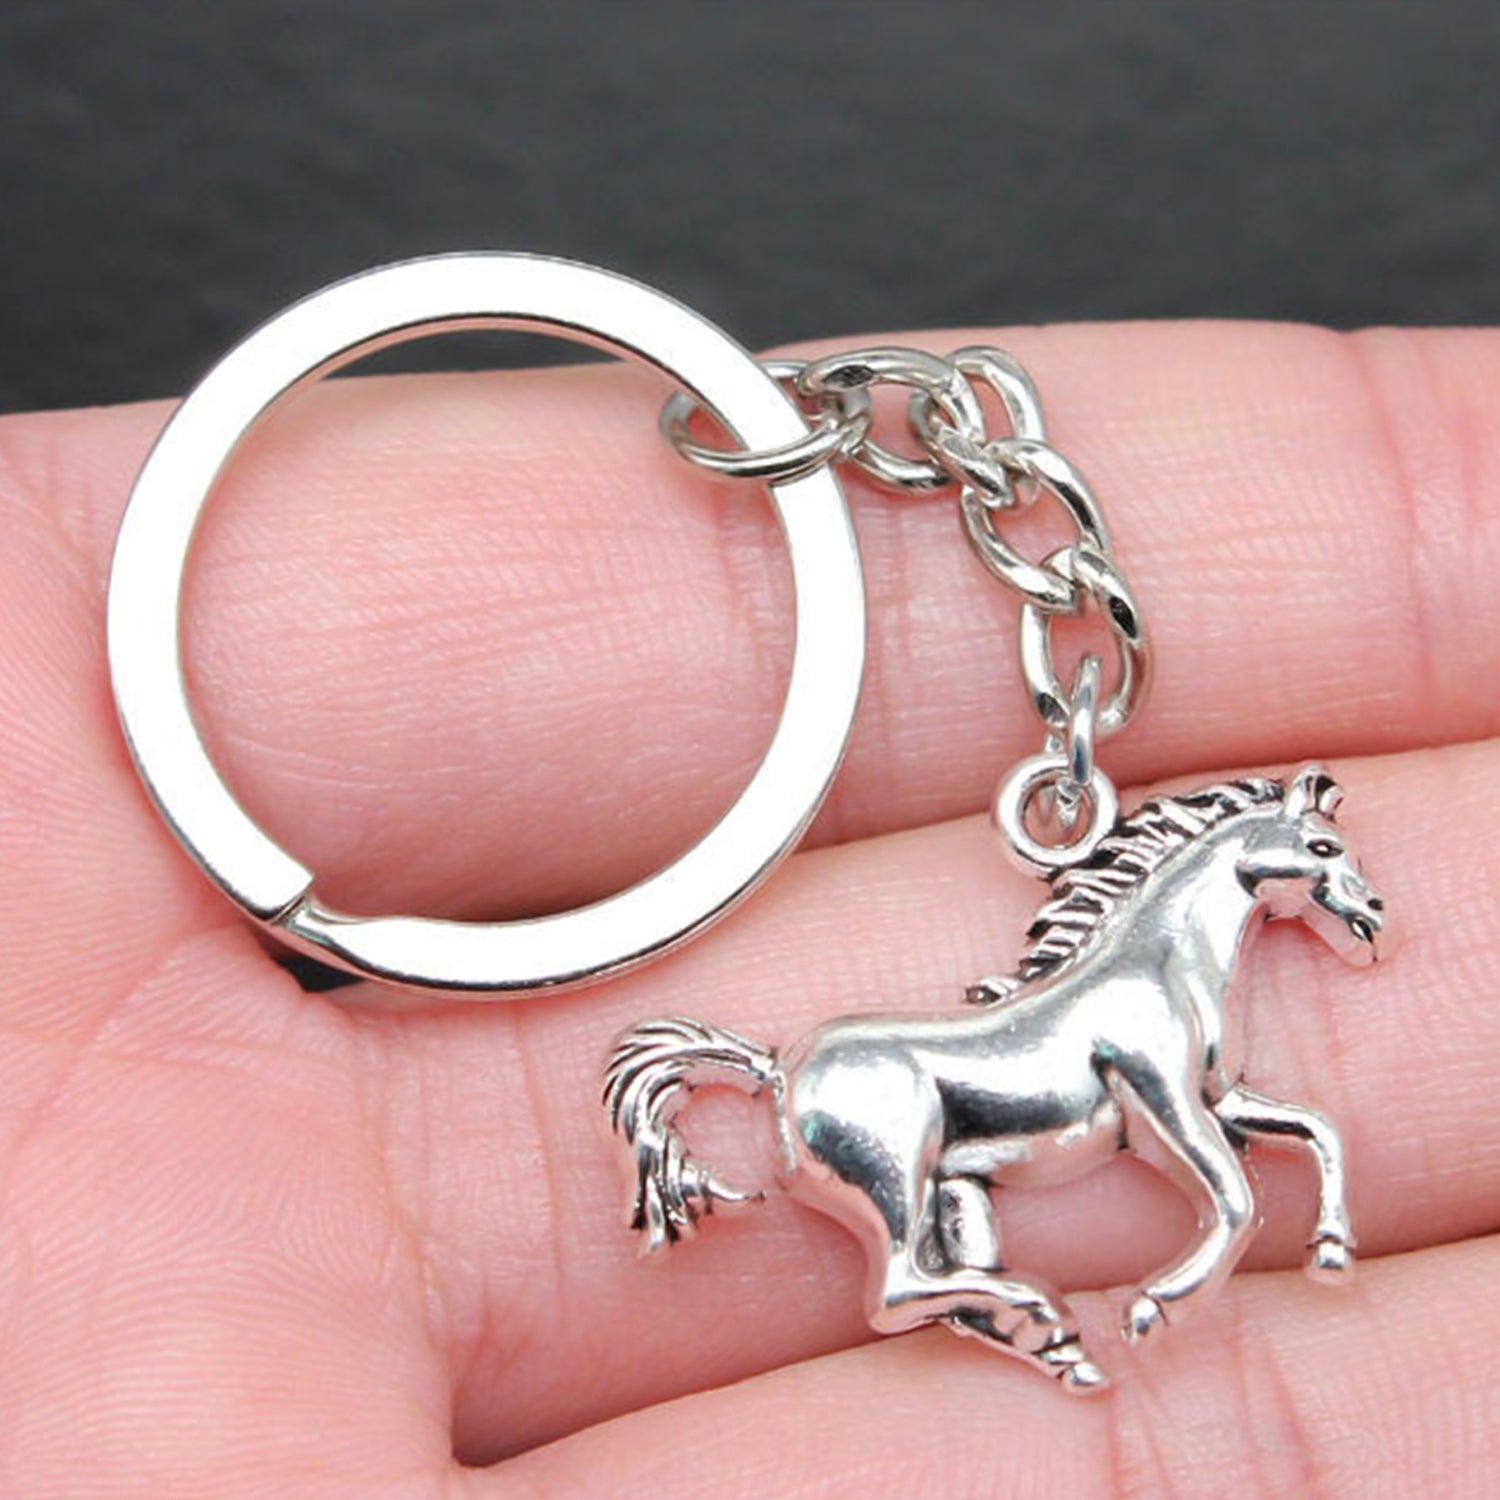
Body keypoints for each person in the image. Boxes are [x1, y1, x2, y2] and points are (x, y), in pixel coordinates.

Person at [0, 318, 1494, 1497]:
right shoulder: (1115, 1012)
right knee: (1013, 1223)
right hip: (938, 1080)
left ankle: (1007, 1280)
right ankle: (963, 1287)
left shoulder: (1148, 981)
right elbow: (1188, 1127)